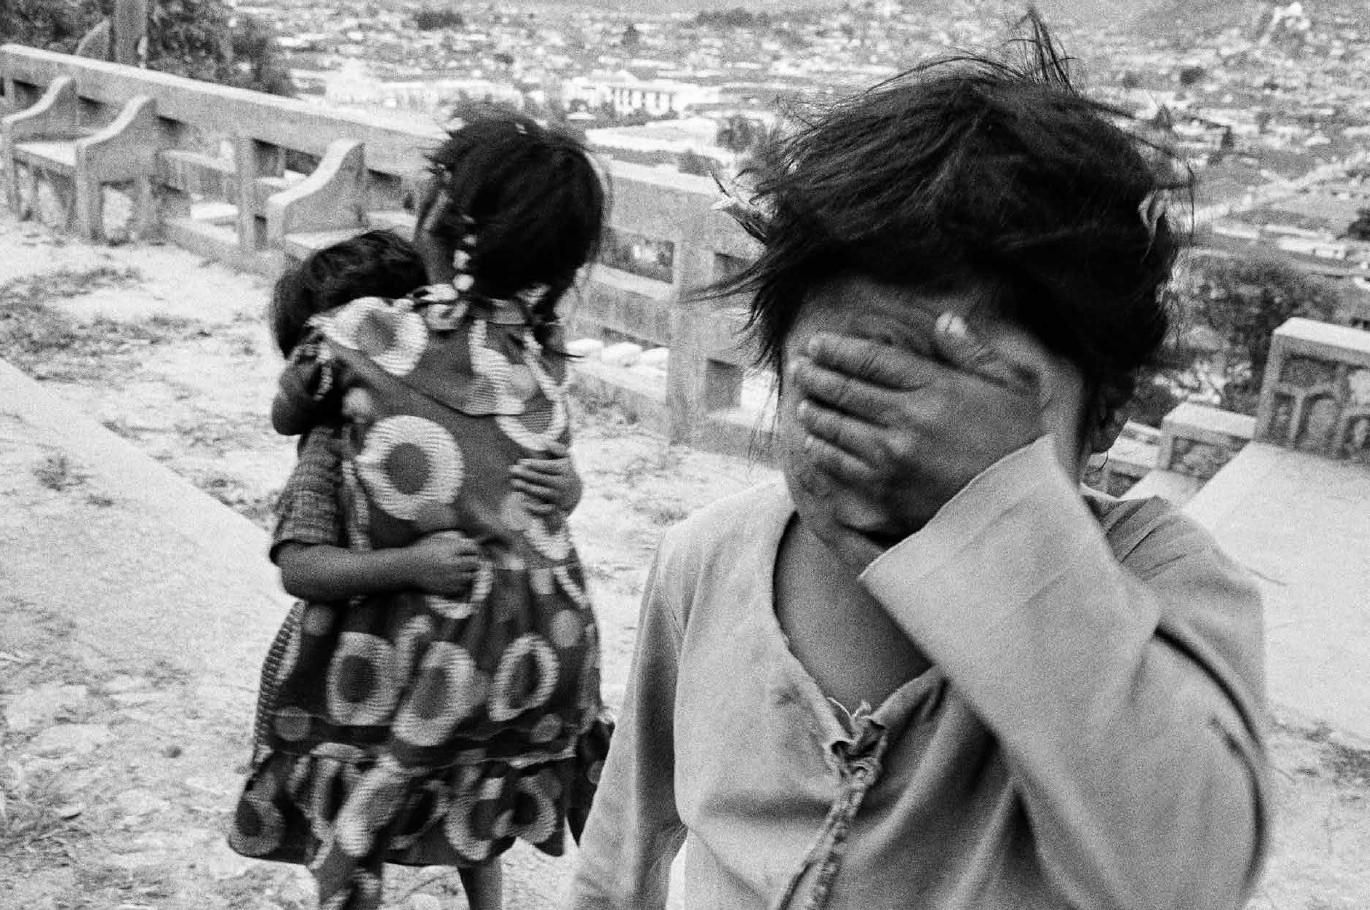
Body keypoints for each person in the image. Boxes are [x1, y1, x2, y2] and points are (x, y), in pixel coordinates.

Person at [568, 15, 1269, 910]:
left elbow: (1187, 874)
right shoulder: (705, 563)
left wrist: (1000, 531)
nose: (893, 456)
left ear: (1105, 418)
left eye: (961, 414)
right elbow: (626, 844)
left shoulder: (1163, 591)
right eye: (848, 397)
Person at [230, 110, 611, 910]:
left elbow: (289, 409)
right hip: (555, 651)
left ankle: (349, 878)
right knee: (474, 793)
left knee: (359, 786)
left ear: (443, 209)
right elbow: (535, 474)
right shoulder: (537, 360)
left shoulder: (361, 331)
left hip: (450, 650)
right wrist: (566, 491)